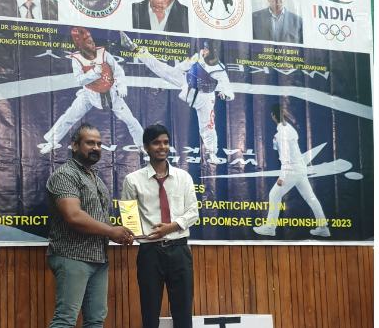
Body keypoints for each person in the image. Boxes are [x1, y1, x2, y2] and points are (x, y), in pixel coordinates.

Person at [44, 123, 135, 328]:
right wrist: (111, 231)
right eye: (89, 143)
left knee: (95, 319)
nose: (95, 148)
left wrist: (124, 231)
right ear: (74, 145)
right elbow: (73, 216)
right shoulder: (64, 175)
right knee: (65, 318)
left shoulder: (95, 177)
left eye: (98, 143)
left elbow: (99, 219)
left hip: (98, 257)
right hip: (71, 255)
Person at [122, 123, 203, 328]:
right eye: (157, 143)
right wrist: (141, 235)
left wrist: (170, 227)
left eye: (166, 142)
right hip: (150, 253)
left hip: (179, 249)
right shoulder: (132, 180)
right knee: (150, 314)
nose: (162, 147)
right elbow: (129, 219)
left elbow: (193, 212)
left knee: (183, 313)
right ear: (146, 147)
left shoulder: (183, 177)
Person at [120, 31, 234, 165]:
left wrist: (225, 94)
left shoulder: (220, 70)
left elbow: (229, 92)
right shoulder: (198, 56)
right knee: (162, 69)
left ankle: (212, 153)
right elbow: (181, 67)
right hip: (189, 84)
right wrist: (180, 72)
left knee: (208, 126)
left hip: (205, 97)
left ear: (213, 52)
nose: (204, 50)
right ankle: (135, 49)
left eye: (207, 49)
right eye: (204, 48)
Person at [38, 27, 144, 155]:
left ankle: (142, 145)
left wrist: (121, 86)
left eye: (92, 41)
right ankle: (52, 142)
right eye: (89, 43)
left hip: (111, 94)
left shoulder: (103, 54)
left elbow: (118, 71)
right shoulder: (77, 59)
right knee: (69, 117)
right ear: (81, 45)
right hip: (89, 94)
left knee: (130, 120)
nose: (93, 44)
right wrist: (94, 72)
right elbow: (80, 80)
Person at [253, 103, 330, 238]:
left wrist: (282, 177)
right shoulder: (289, 129)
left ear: (273, 116)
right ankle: (323, 227)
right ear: (283, 114)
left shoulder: (281, 134)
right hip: (301, 169)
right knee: (311, 197)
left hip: (292, 170)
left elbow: (285, 158)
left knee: (274, 195)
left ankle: (270, 227)